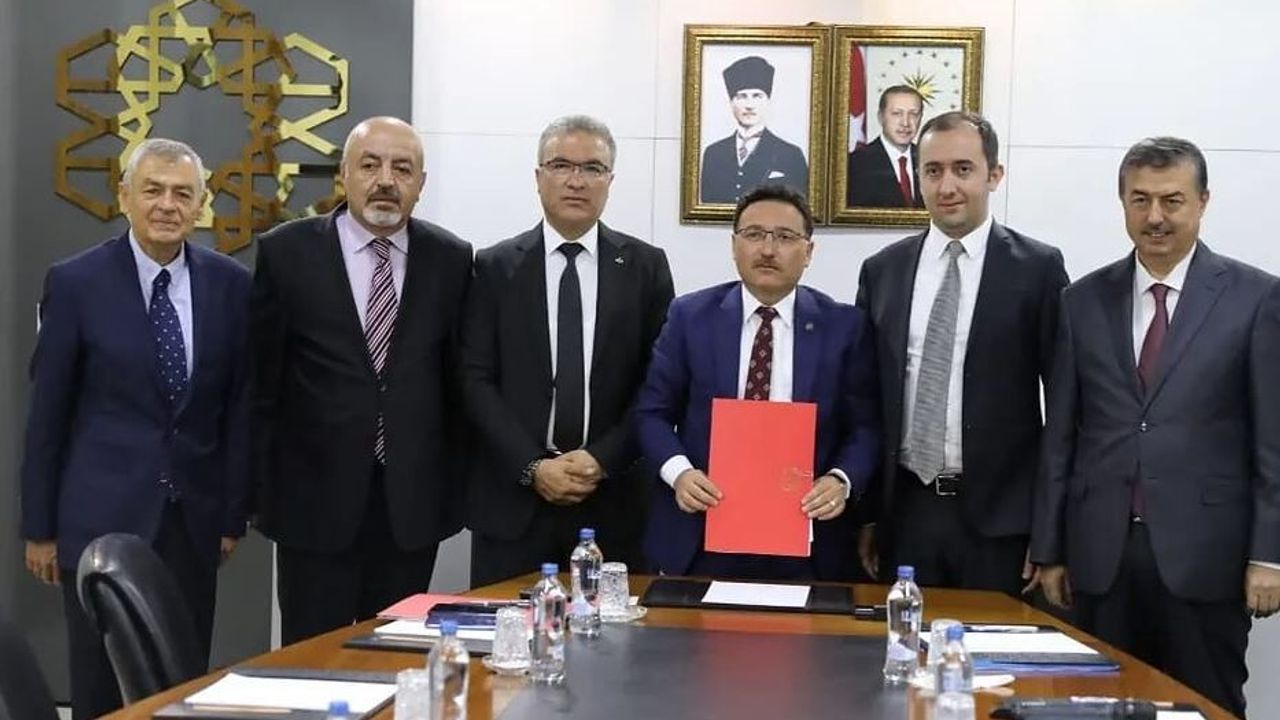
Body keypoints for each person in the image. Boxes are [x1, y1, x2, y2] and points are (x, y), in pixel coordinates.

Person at [1028, 137, 1280, 717]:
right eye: (1140, 200)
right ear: (1122, 203)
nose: (1155, 217)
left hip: (1206, 558)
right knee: (1099, 708)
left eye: (1172, 200)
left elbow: (1273, 439)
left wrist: (1269, 554)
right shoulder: (1081, 301)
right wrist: (1050, 550)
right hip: (1100, 559)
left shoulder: (1256, 298)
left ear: (1203, 201)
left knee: (1205, 707)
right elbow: (1061, 435)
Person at [20, 138, 251, 719]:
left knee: (180, 686)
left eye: (183, 194)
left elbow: (239, 409)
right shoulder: (75, 283)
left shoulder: (231, 285)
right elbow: (48, 415)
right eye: (153, 190)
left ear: (201, 205)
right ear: (124, 197)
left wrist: (231, 516)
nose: (167, 205)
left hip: (191, 524)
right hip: (99, 522)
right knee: (100, 692)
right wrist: (40, 529)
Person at [252, 116, 473, 644]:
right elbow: (261, 383)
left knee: (393, 655)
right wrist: (256, 494)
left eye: (403, 168)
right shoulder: (286, 252)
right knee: (313, 659)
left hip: (410, 507)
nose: (386, 180)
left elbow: (458, 383)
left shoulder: (452, 259)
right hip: (312, 504)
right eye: (370, 165)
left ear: (421, 183)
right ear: (344, 175)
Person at [854, 112, 1068, 593]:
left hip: (1002, 522)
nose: (947, 186)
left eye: (963, 169)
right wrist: (867, 516)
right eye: (933, 171)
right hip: (905, 514)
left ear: (994, 175)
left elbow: (1065, 406)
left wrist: (1051, 531)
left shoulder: (1038, 269)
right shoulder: (883, 271)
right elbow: (866, 401)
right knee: (903, 638)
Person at [462, 115, 674, 588]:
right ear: (538, 177)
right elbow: (474, 379)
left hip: (614, 502)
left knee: (615, 635)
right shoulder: (494, 267)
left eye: (592, 168)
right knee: (510, 630)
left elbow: (657, 382)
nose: (576, 181)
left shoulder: (645, 267)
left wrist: (602, 458)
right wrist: (532, 466)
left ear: (610, 180)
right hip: (514, 503)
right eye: (561, 165)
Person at [637, 183, 881, 580]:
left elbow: (866, 426)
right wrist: (679, 473)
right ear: (734, 245)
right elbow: (652, 413)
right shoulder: (689, 317)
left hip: (807, 535)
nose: (767, 249)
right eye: (753, 235)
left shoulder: (844, 327)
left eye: (784, 237)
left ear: (808, 252)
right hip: (703, 528)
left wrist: (841, 480)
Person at [700, 56, 809, 204]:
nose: (749, 105)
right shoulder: (713, 154)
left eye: (757, 96)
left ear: (768, 101)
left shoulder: (791, 154)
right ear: (731, 103)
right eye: (742, 96)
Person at [846, 85, 925, 208]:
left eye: (913, 114)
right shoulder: (854, 164)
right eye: (897, 113)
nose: (905, 123)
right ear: (881, 117)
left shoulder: (929, 160)